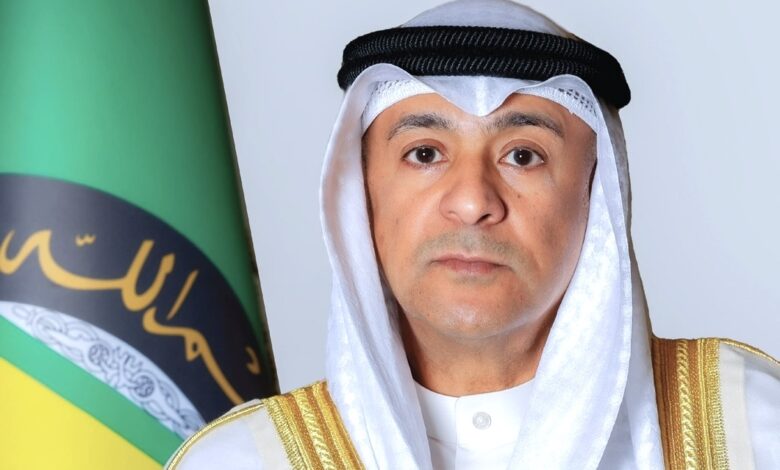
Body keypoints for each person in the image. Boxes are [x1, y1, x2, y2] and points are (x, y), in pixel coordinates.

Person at [167, 1, 780, 468]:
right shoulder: (244, 460)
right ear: (361, 195)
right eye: (425, 153)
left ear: (596, 197)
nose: (471, 202)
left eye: (523, 156)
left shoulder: (749, 429)